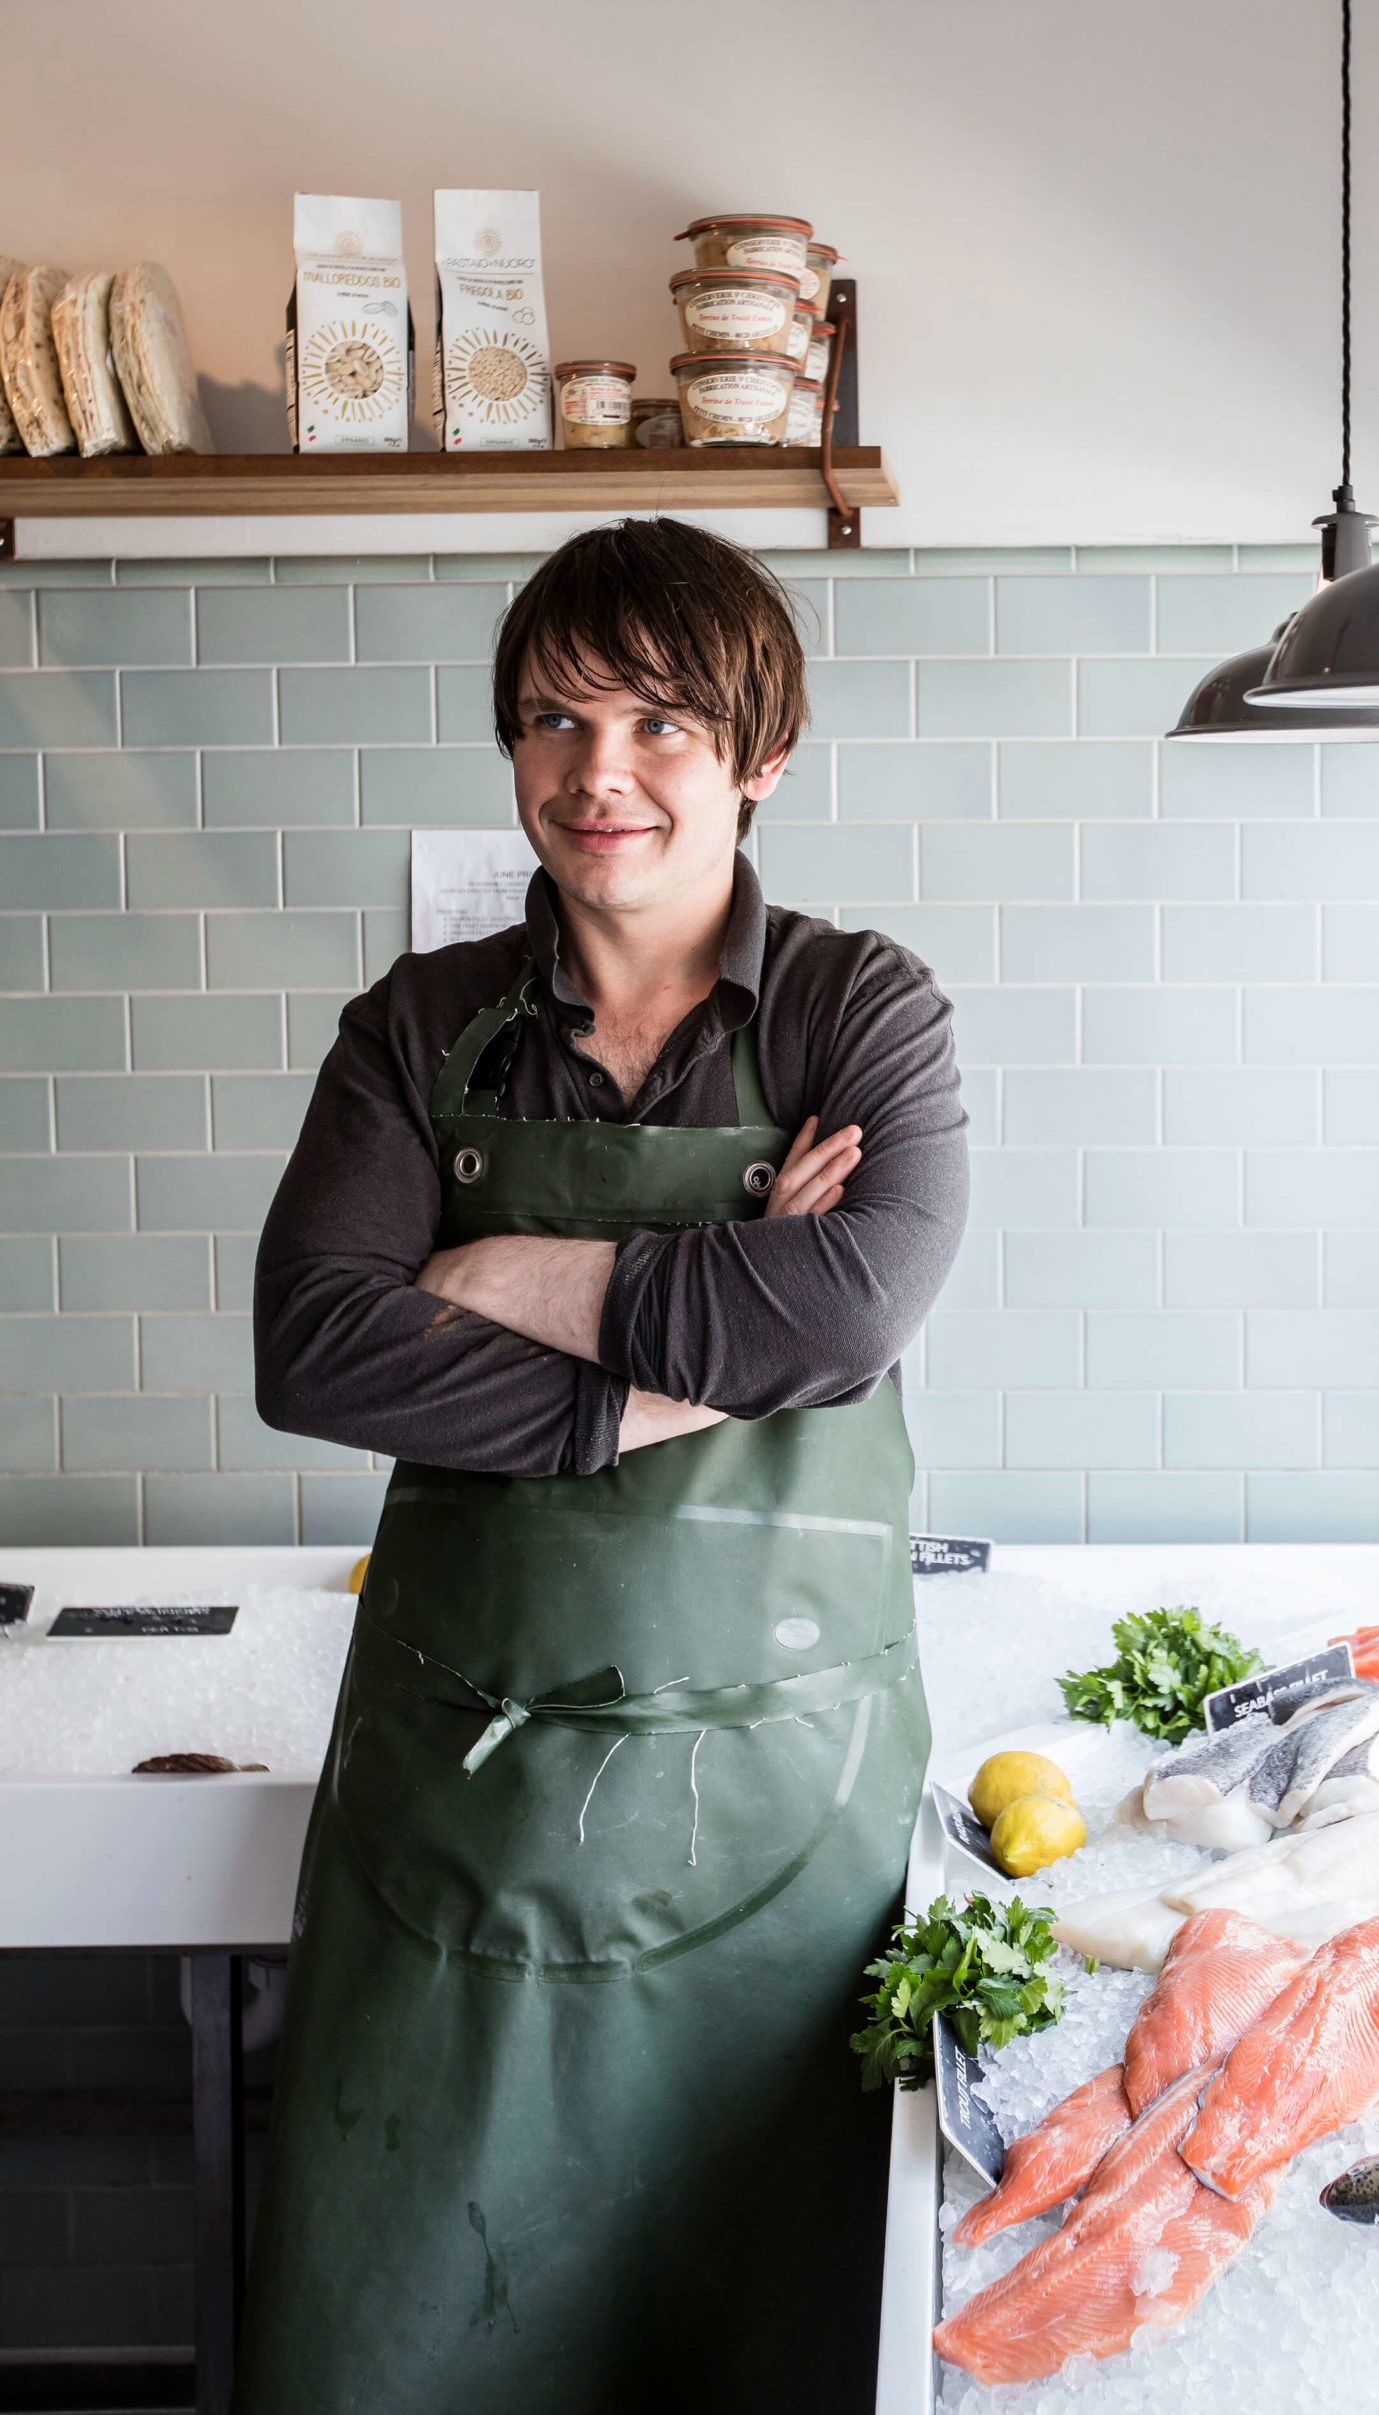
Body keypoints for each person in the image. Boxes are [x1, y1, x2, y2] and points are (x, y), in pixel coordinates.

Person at [234, 518, 967, 2413]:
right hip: (457, 1810)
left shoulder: (858, 1010)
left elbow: (852, 1312)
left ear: (760, 755)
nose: (599, 772)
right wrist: (664, 1377)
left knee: (766, 2335)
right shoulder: (414, 1029)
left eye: (659, 719)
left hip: (787, 1823)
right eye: (555, 720)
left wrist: (500, 1276)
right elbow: (312, 1347)